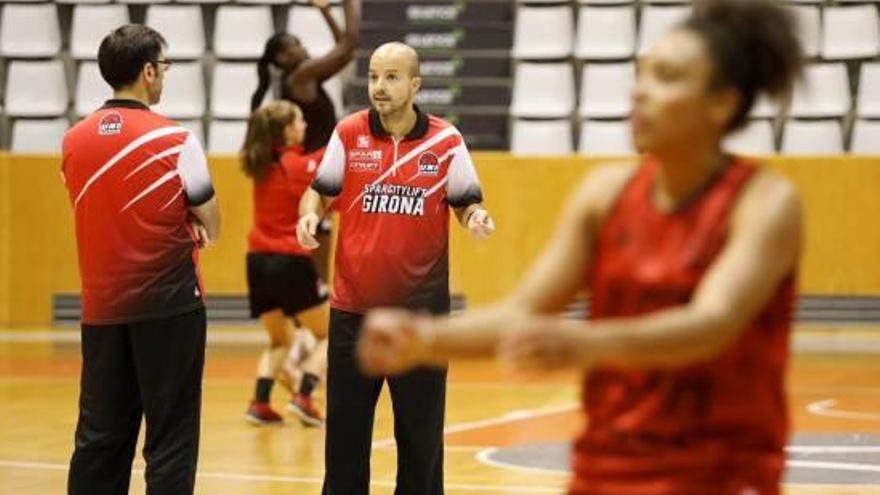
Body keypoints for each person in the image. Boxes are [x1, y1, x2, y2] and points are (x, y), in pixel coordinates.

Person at [358, 1, 804, 493]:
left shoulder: (764, 202)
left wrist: (588, 344)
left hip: (723, 472)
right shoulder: (604, 195)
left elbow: (713, 322)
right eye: (641, 76)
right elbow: (522, 313)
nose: (641, 93)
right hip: (607, 466)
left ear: (722, 102)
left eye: (668, 77)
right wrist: (421, 338)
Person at [297, 42, 495, 495]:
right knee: (344, 440)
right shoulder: (348, 133)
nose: (379, 87)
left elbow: (466, 202)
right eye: (373, 77)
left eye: (391, 77)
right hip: (352, 313)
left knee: (420, 440)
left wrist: (476, 218)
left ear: (415, 84)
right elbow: (319, 190)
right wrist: (310, 214)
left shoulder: (446, 141)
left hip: (420, 318)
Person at [62, 25, 220, 495]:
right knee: (170, 438)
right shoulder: (176, 140)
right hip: (170, 305)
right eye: (165, 67)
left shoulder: (73, 140)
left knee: (99, 436)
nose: (164, 76)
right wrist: (188, 220)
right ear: (148, 71)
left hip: (102, 307)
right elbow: (211, 221)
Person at [240, 100, 330, 427]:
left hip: (256, 262)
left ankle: (260, 402)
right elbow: (323, 166)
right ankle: (304, 396)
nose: (304, 126)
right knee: (327, 335)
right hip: (288, 259)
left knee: (280, 340)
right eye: (300, 121)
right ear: (287, 130)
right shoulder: (294, 165)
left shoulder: (260, 164)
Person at [250, 0, 360, 154]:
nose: (304, 48)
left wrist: (325, 11)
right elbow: (349, 43)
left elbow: (345, 54)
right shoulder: (302, 75)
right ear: (282, 57)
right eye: (297, 45)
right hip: (314, 163)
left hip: (318, 160)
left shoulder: (303, 77)